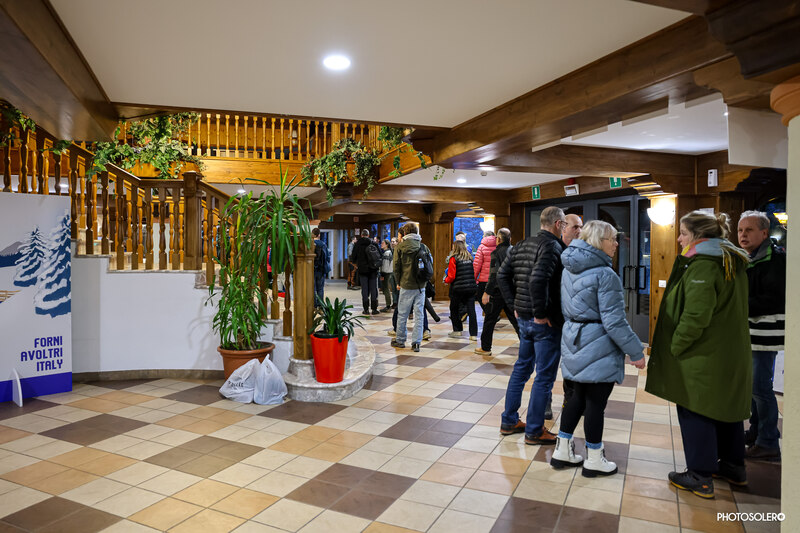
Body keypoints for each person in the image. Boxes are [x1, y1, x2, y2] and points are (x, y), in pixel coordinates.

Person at [647, 210, 751, 499]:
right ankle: (733, 467)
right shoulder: (730, 261)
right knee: (725, 409)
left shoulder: (704, 265)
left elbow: (695, 316)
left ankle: (700, 475)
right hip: (727, 352)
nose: (679, 239)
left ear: (697, 236)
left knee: (696, 409)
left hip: (703, 354)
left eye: (682, 233)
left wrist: (676, 346)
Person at [550, 220, 645, 476]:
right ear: (598, 241)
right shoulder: (605, 274)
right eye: (612, 239)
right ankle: (594, 458)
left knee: (576, 397)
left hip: (574, 338)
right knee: (595, 403)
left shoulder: (570, 268)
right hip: (598, 343)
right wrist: (636, 351)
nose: (616, 244)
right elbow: (614, 322)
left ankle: (562, 451)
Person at [497, 206, 567, 445]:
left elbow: (502, 276)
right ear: (558, 224)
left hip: (524, 318)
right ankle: (535, 430)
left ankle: (509, 420)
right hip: (541, 322)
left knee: (521, 369)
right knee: (544, 376)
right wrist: (540, 313)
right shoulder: (551, 246)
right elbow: (538, 279)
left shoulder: (521, 244)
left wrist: (514, 306)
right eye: (564, 224)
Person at [738, 211, 785, 462]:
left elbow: (774, 298)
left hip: (766, 333)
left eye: (749, 230)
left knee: (760, 387)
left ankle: (768, 441)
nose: (743, 235)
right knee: (753, 387)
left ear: (764, 233)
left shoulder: (775, 259)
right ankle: (756, 432)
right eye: (740, 230)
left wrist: (739, 305)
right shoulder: (748, 258)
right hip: (750, 331)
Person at [475, 227, 518, 356]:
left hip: (498, 292)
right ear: (510, 239)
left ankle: (485, 348)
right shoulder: (514, 251)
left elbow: (494, 275)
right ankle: (529, 346)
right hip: (512, 291)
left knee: (490, 319)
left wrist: (486, 292)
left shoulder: (496, 253)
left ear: (498, 239)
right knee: (516, 320)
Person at [391, 222, 430, 352]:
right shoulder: (423, 246)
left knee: (402, 314)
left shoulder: (399, 247)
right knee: (419, 314)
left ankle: (400, 340)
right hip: (420, 286)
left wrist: (398, 282)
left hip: (406, 284)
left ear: (405, 233)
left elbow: (396, 267)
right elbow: (429, 264)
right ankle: (416, 343)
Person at [558, 213, 583, 408]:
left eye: (581, 227)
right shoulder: (554, 250)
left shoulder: (582, 253)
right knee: (549, 363)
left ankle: (572, 400)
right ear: (563, 227)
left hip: (574, 319)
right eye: (576, 227)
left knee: (573, 361)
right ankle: (546, 403)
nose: (579, 231)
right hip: (555, 316)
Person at [445, 240, 479, 340]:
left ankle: (457, 330)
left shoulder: (453, 258)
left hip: (458, 288)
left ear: (455, 248)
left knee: (454, 308)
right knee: (471, 310)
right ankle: (473, 334)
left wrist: (446, 280)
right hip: (471, 287)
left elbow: (451, 276)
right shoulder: (470, 258)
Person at [350, 229, 380, 315]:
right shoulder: (373, 243)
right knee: (373, 289)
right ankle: (374, 309)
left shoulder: (357, 244)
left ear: (361, 235)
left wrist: (357, 264)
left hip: (362, 270)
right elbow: (379, 256)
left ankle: (366, 309)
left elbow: (353, 257)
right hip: (373, 270)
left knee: (364, 289)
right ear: (368, 235)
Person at [473, 230, 497, 312]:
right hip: (496, 278)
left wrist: (474, 278)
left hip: (484, 279)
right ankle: (493, 314)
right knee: (495, 298)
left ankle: (489, 313)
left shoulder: (481, 247)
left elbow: (477, 265)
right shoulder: (498, 246)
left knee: (480, 296)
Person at [311, 228, 330, 305]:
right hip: (321, 269)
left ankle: (314, 305)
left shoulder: (310, 244)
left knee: (313, 288)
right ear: (319, 235)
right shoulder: (323, 244)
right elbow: (327, 257)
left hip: (312, 269)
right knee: (320, 288)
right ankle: (320, 304)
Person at [380, 238, 395, 312]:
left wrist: (382, 274)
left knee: (386, 289)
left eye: (383, 243)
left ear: (387, 245)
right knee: (386, 289)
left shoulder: (387, 253)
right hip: (388, 272)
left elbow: (385, 265)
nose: (381, 244)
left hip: (386, 273)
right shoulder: (388, 252)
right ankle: (388, 305)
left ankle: (388, 305)